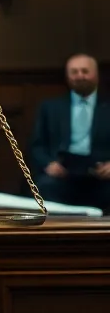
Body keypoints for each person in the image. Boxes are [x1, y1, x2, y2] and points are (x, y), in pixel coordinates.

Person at [30, 53, 110, 212]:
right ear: (67, 76)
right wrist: (48, 164)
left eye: (85, 71)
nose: (80, 76)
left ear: (96, 75)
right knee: (44, 186)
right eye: (74, 72)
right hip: (62, 174)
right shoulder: (50, 108)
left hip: (102, 176)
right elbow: (36, 145)